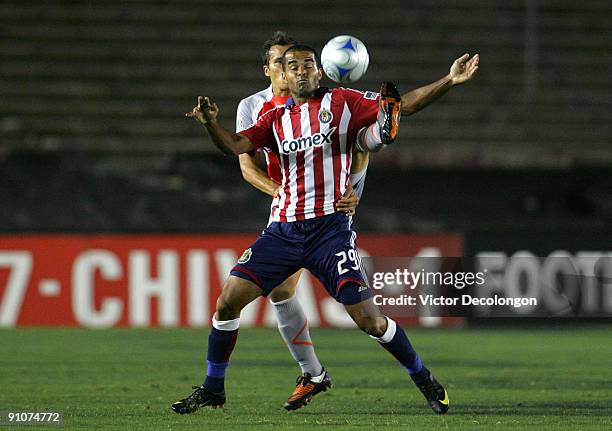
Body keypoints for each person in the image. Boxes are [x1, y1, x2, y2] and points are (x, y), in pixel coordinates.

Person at [172, 43, 478, 415]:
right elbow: (236, 145)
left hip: (329, 232)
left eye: (308, 65)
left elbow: (404, 104)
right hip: (282, 230)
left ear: (320, 72)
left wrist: (449, 79)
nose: (301, 71)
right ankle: (213, 387)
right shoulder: (272, 116)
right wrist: (209, 125)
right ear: (281, 75)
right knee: (227, 302)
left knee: (371, 321)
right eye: (292, 66)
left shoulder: (343, 102)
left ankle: (423, 377)